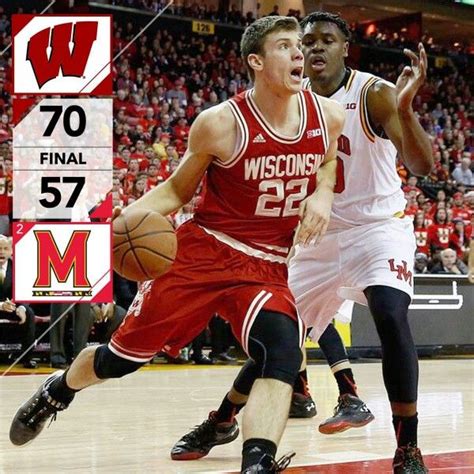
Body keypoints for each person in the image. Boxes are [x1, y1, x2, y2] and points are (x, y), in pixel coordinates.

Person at [10, 16, 345, 473]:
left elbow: (326, 162)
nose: (298, 54)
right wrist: (123, 220)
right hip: (203, 252)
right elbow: (176, 191)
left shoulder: (327, 115)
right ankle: (59, 390)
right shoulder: (221, 124)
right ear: (256, 61)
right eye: (285, 47)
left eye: (297, 46)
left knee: (284, 351)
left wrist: (323, 193)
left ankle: (258, 464)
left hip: (266, 265)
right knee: (118, 361)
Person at [173, 12, 433, 474]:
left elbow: (422, 166)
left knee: (390, 314)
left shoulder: (373, 94)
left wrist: (406, 109)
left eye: (326, 40)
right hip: (315, 235)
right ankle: (222, 420)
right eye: (306, 40)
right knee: (277, 342)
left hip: (376, 228)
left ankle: (407, 447)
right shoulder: (292, 100)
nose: (313, 48)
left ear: (344, 48)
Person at [0, 235, 37, 368]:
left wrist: (21, 307)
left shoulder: (18, 267)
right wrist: (1, 305)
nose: (1, 252)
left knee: (29, 312)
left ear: (11, 251)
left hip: (12, 307)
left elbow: (24, 291)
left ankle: (27, 357)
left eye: (5, 248)